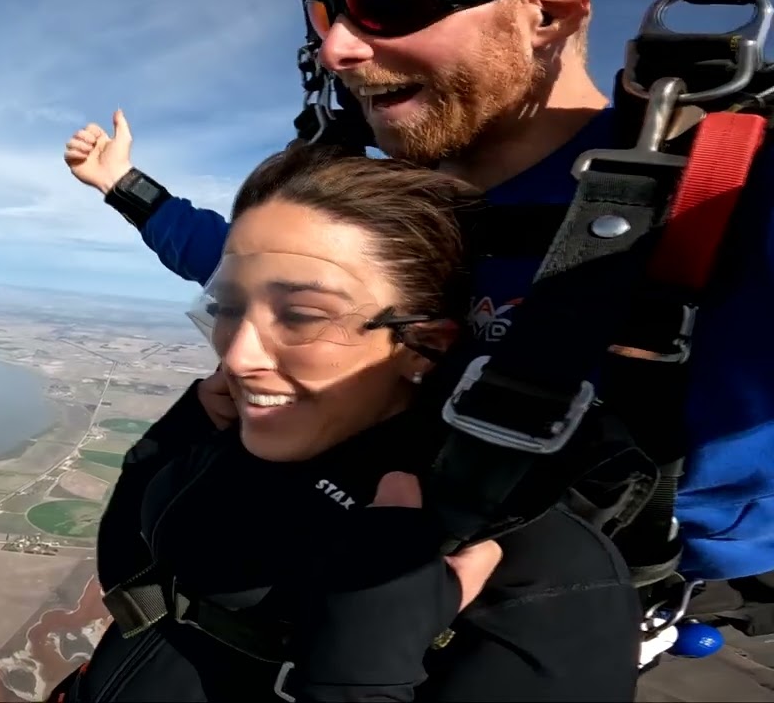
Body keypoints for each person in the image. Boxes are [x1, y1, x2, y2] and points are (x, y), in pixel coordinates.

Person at [63, 0, 774, 603]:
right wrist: (127, 188)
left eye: (388, 0)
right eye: (321, 14)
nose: (339, 48)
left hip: (589, 596)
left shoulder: (728, 192)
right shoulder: (388, 207)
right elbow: (243, 266)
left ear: (550, 13)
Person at [49, 146, 642, 703]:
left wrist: (359, 677)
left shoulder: (542, 570)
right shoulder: (240, 436)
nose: (235, 356)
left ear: (423, 345)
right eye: (229, 307)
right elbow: (135, 574)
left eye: (303, 316)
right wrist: (176, 435)